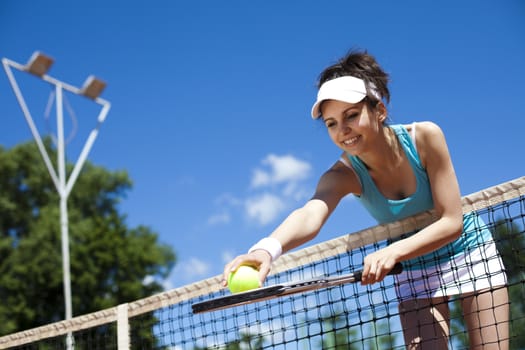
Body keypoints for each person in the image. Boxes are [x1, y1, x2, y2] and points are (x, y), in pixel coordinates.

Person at [223, 50, 509, 349]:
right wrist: (266, 250)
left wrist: (393, 251)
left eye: (351, 115)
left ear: (379, 111)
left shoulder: (424, 137)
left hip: (470, 256)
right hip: (412, 271)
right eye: (331, 123)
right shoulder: (342, 175)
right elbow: (310, 213)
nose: (342, 130)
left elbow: (452, 222)